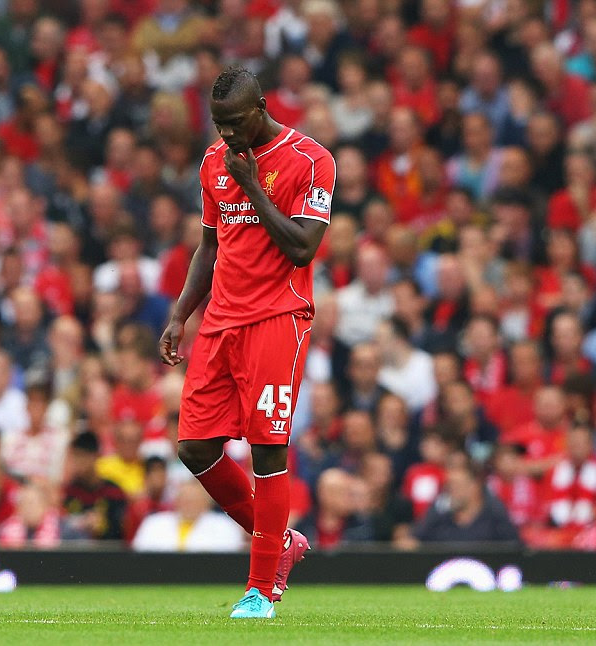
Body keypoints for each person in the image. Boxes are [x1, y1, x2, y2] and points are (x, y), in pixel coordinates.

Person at [160, 67, 335, 619]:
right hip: (220, 320)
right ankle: (281, 542)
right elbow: (209, 246)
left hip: (277, 317)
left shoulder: (311, 160)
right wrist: (180, 313)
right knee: (194, 447)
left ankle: (261, 590)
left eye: (236, 122)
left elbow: (303, 248)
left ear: (262, 106)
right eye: (219, 124)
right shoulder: (214, 162)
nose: (228, 134)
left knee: (267, 450)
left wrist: (255, 186)